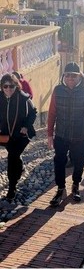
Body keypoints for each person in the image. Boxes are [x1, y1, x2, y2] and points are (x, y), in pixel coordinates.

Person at [47, 62, 84, 206]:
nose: (70, 78)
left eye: (74, 75)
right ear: (64, 76)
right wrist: (49, 134)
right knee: (59, 162)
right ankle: (60, 188)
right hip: (61, 135)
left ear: (79, 76)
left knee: (78, 163)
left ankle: (76, 185)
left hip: (80, 136)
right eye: (67, 75)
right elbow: (52, 114)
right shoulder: (57, 90)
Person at [0, 73, 37, 201]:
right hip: (6, 136)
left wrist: (26, 126)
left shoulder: (23, 98)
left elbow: (33, 112)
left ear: (16, 86)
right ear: (2, 87)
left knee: (12, 157)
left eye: (11, 86)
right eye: (5, 86)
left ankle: (12, 187)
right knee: (14, 156)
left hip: (22, 136)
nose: (9, 89)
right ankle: (20, 167)